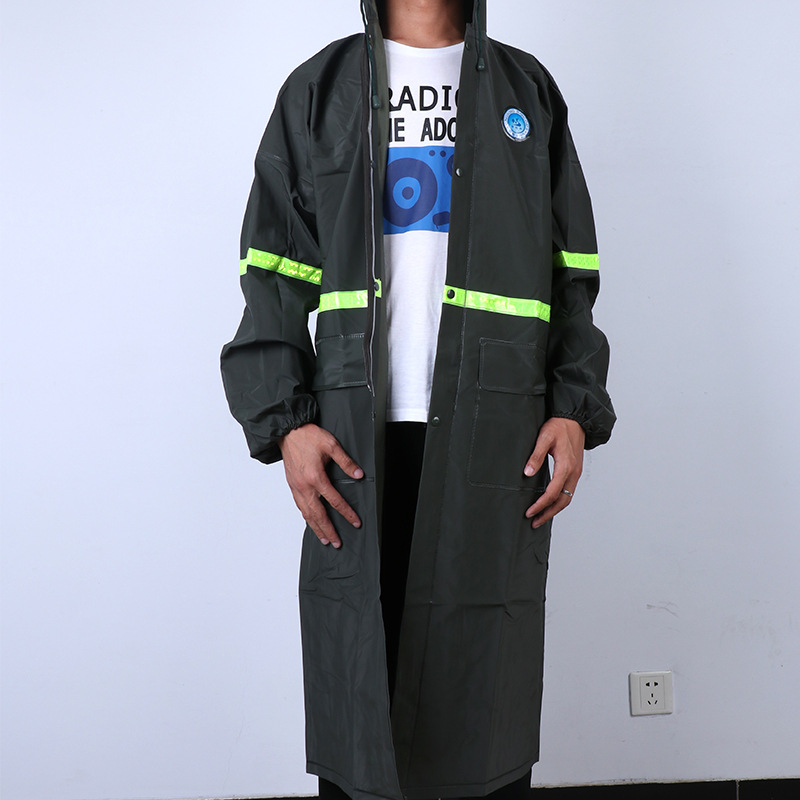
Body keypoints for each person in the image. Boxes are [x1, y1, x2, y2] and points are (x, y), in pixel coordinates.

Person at [220, 2, 616, 799]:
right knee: (361, 672)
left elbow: (571, 270)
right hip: (353, 433)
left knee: (483, 684)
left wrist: (573, 406)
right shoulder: (318, 91)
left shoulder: (525, 91)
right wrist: (285, 421)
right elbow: (272, 269)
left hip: (494, 431)